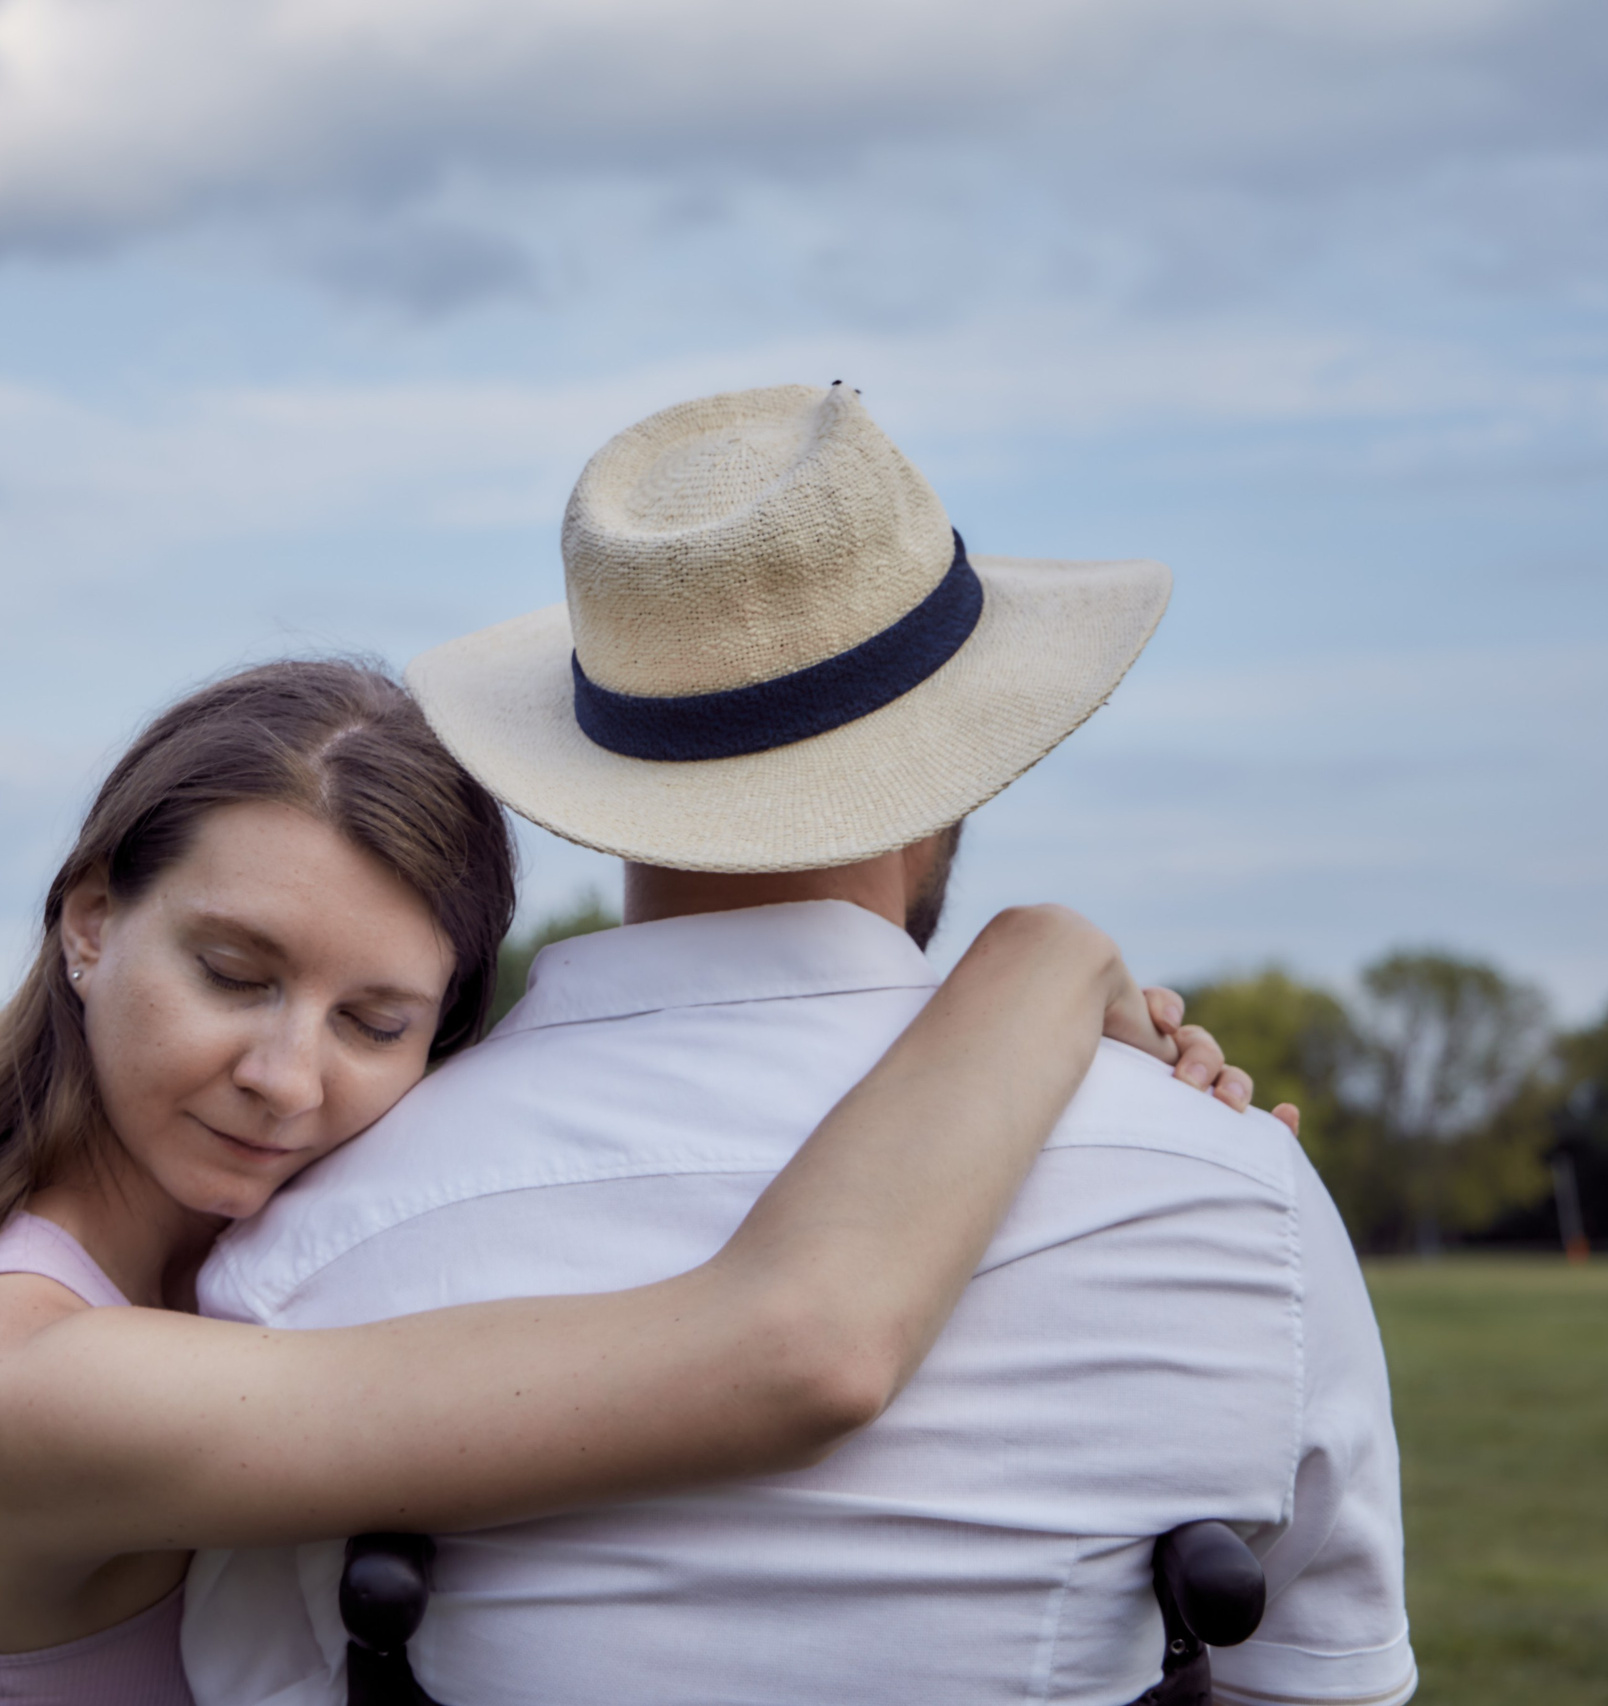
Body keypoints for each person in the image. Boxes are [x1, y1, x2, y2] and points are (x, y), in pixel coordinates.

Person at [185, 385, 1413, 1706]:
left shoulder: (308, 1250)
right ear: (959, 765)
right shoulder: (1232, 1192)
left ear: (598, 783)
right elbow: (1318, 1680)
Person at [0, 657, 1275, 1706]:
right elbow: (797, 1345)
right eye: (235, 973)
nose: (288, 1076)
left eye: (376, 1021)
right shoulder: (9, 1379)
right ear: (90, 921)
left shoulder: (136, 1275)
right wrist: (1040, 956)